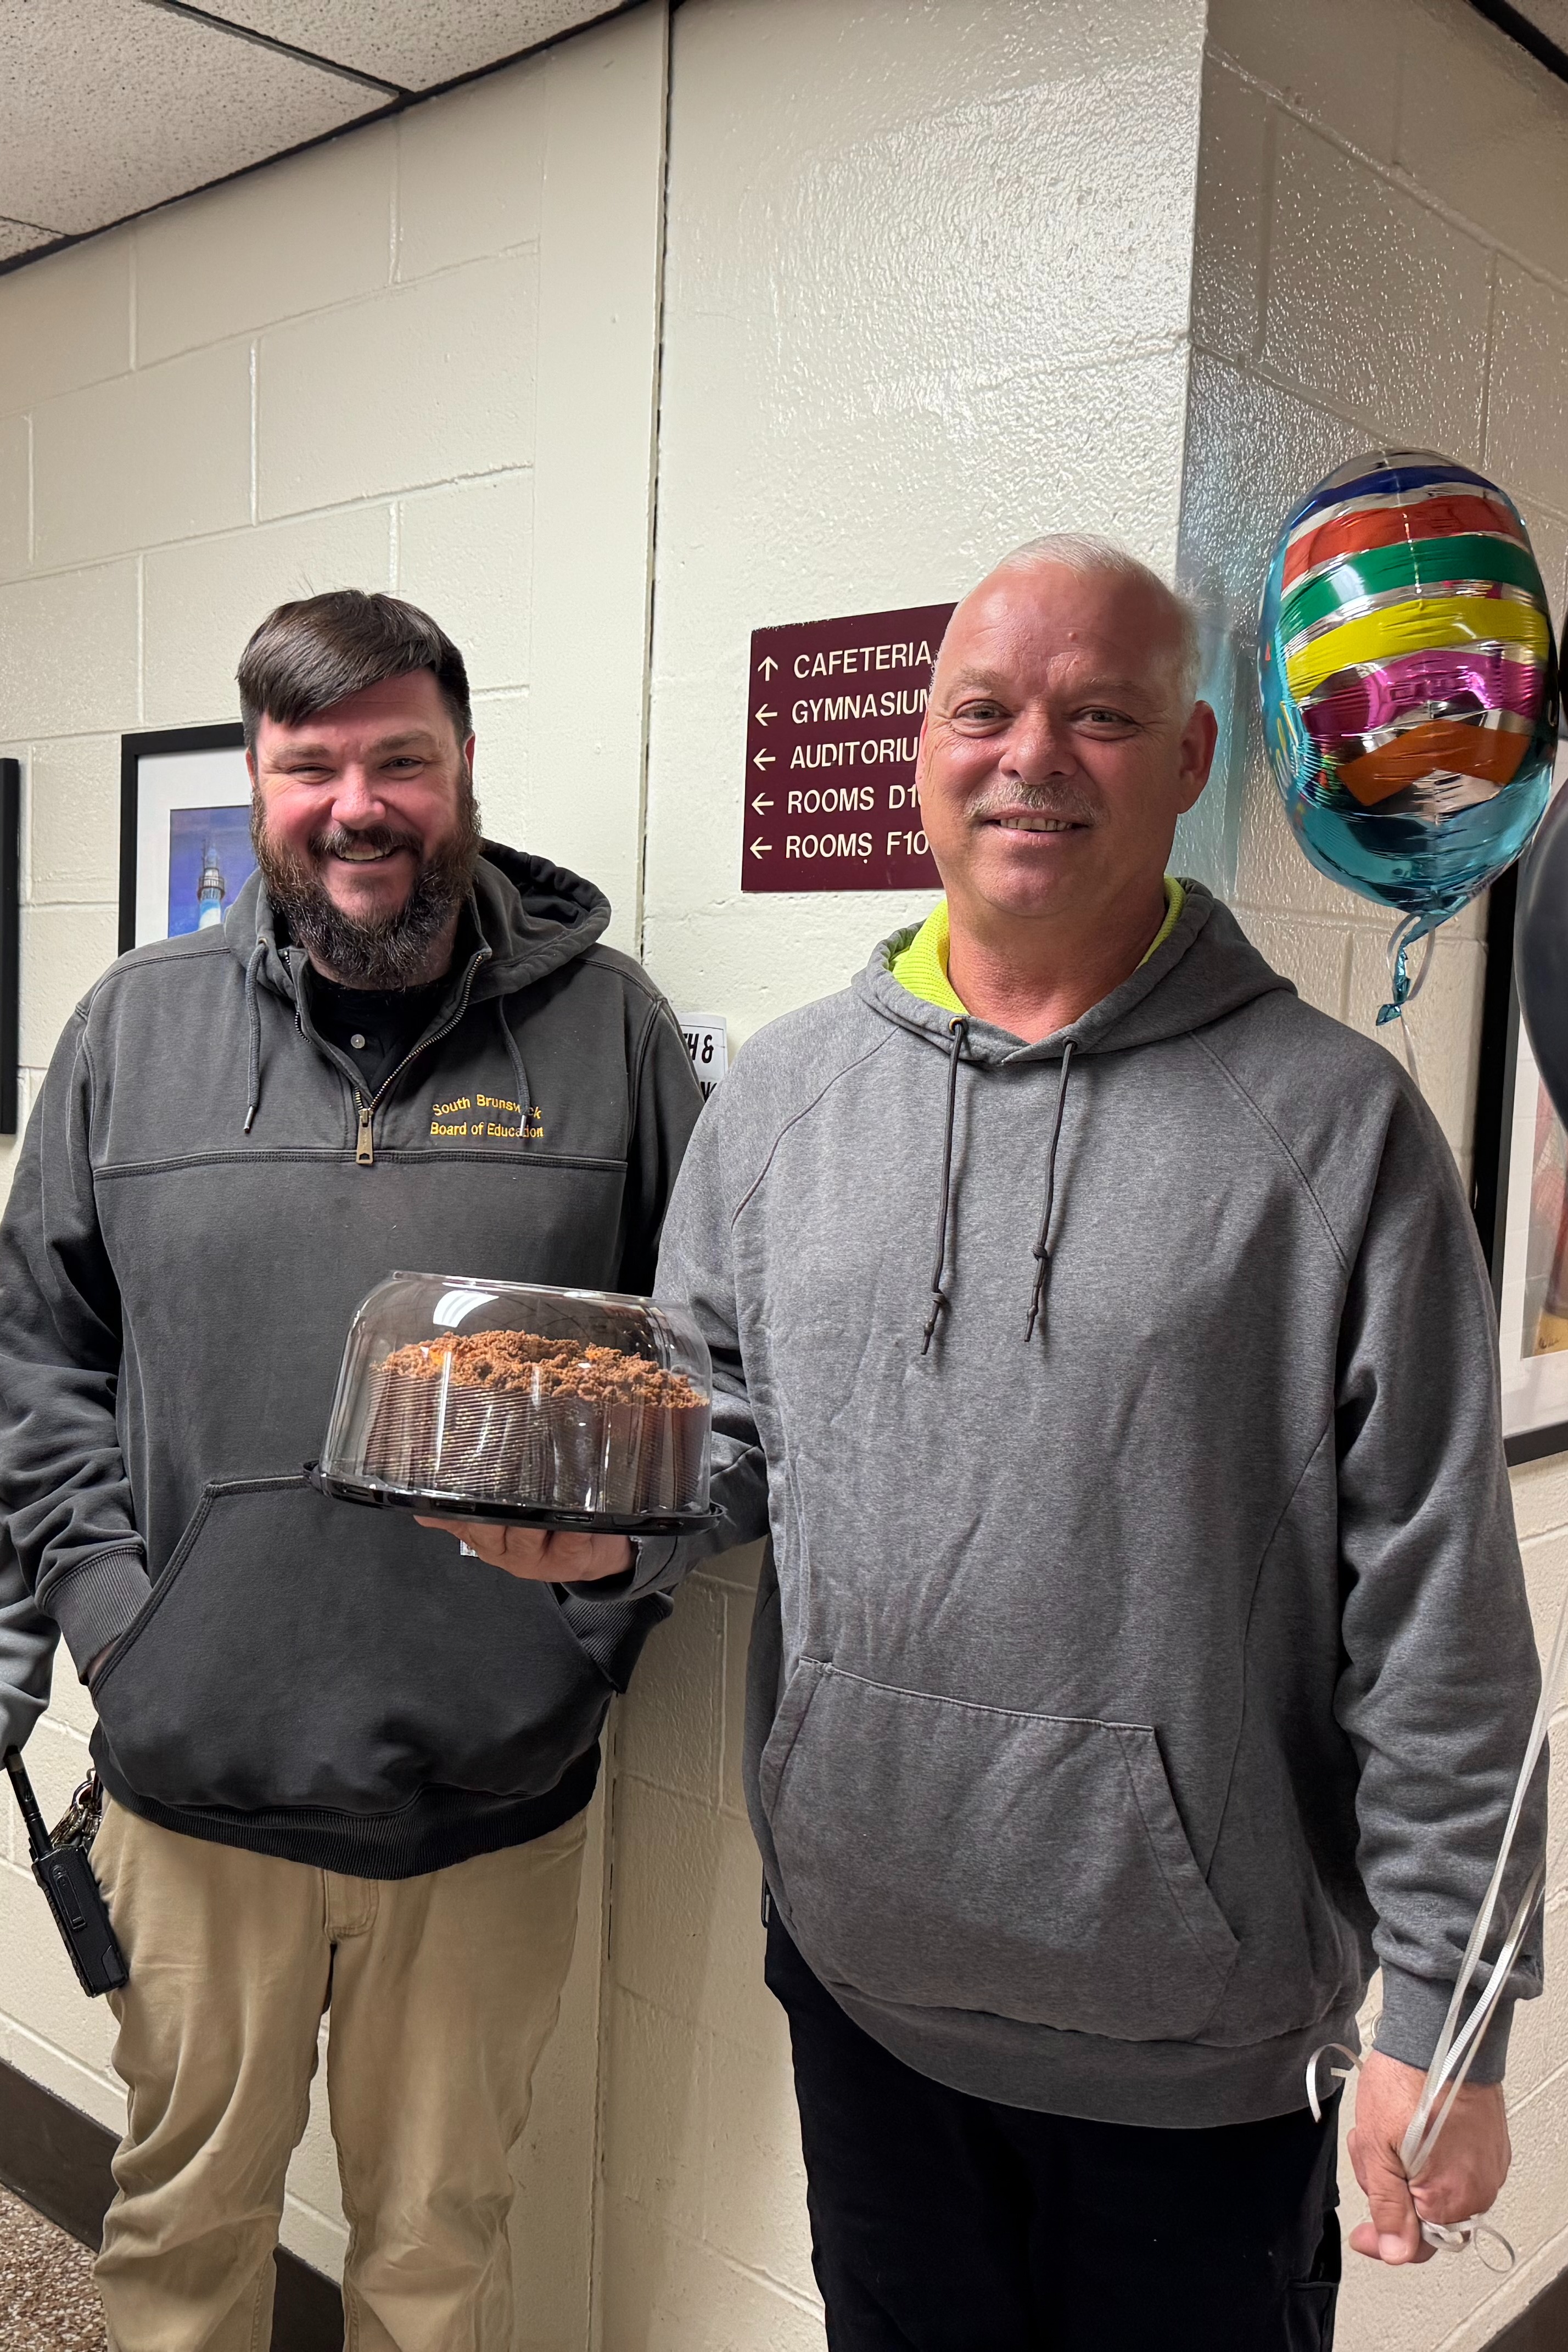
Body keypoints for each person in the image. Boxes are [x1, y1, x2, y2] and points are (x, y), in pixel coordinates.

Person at [483, 535, 1544, 2348]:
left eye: (1100, 716)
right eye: (984, 710)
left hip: (1202, 2055)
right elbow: (717, 1432)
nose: (1031, 756)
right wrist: (604, 1531)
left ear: (1190, 759)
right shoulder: (781, 1101)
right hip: (865, 1989)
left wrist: (1451, 2011)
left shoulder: (1338, 1131)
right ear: (924, 744)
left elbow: (1439, 1614)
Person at [0, 590, 702, 2352]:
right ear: (260, 781)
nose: (357, 805)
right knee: (181, 2238)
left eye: (402, 759)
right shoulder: (132, 1033)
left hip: (488, 1803)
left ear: (463, 767)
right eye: (310, 764)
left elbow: (708, 1379)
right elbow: (34, 1355)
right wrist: (116, 1619)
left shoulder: (613, 1036)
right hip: (193, 1794)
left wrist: (597, 1616)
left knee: (438, 2253)